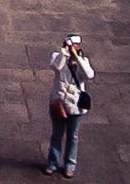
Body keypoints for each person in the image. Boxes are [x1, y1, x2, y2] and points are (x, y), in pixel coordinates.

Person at [44, 34, 94, 178]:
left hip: (76, 106)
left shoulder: (83, 61)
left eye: (75, 45)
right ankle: (52, 163)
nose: (72, 47)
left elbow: (89, 75)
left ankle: (70, 165)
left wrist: (76, 57)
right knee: (57, 135)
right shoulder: (57, 56)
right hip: (59, 103)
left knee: (73, 136)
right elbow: (57, 67)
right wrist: (64, 53)